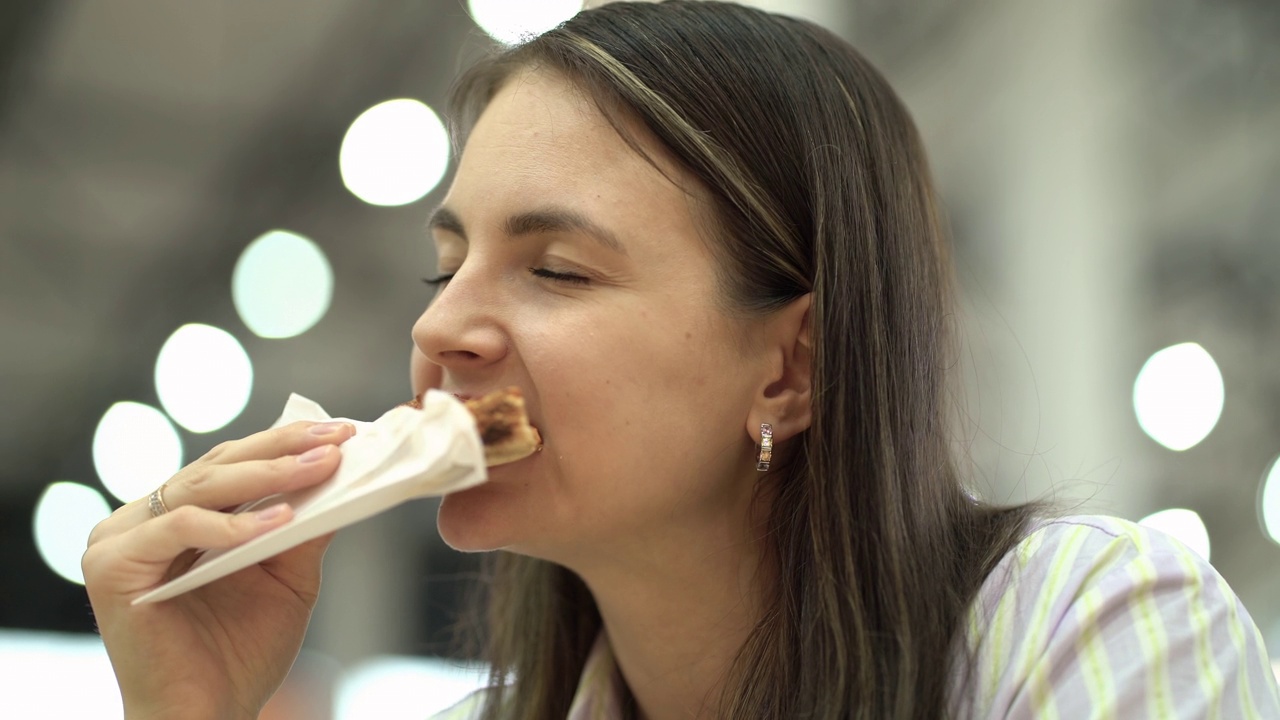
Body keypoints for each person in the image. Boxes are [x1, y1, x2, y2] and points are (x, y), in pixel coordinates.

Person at [83, 2, 1280, 718]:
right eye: (444, 266)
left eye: (555, 269)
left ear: (790, 369)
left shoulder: (1085, 623)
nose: (441, 329)